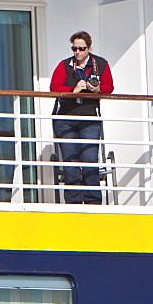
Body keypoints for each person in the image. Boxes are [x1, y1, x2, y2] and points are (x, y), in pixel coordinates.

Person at [49, 31, 115, 204]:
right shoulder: (64, 65)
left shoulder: (100, 64)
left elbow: (109, 87)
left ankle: (93, 203)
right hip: (65, 119)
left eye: (81, 48)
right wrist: (73, 89)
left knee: (90, 161)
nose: (77, 52)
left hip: (89, 119)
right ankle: (73, 205)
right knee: (71, 164)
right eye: (74, 48)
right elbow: (54, 87)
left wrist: (97, 90)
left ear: (89, 48)